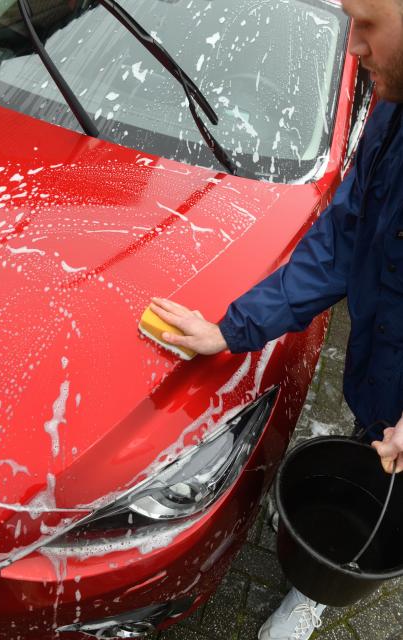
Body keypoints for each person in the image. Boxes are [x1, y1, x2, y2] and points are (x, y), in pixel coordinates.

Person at [150, 0, 403, 638]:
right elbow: (342, 240)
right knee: (369, 462)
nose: (354, 50)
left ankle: (331, 584)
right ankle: (327, 556)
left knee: (390, 514)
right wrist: (232, 328)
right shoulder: (393, 111)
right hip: (381, 384)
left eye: (368, 26)